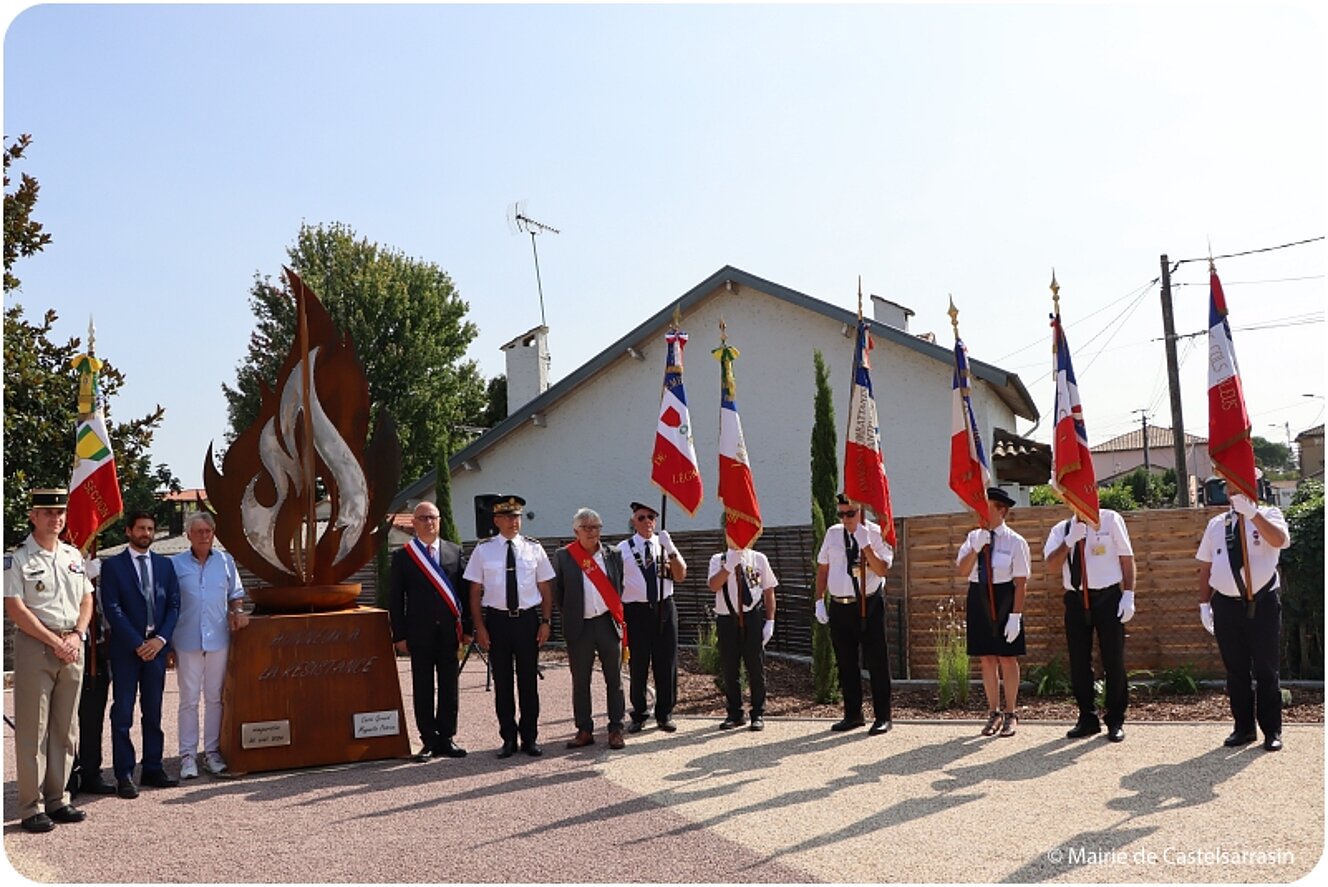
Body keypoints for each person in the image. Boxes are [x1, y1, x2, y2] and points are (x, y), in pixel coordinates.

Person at [3, 488, 94, 833]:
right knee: (33, 730)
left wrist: (77, 635)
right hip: (37, 646)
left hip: (72, 644)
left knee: (65, 728)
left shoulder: (72, 555)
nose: (55, 518)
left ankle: (58, 799)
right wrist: (56, 641)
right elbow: (15, 608)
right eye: (47, 513)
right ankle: (31, 806)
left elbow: (87, 599)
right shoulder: (17, 558)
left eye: (60, 513)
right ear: (33, 516)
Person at [1197, 489, 1291, 751]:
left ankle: (1271, 730)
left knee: (1266, 670)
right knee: (1235, 671)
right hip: (1226, 605)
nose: (1234, 493)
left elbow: (1280, 540)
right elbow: (1205, 567)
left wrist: (1253, 514)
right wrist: (1204, 604)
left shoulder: (1270, 514)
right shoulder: (1217, 524)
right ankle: (1243, 728)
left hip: (1262, 604)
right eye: (1231, 490)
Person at [465, 495, 555, 758]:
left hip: (527, 621)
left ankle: (530, 738)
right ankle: (508, 738)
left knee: (528, 683)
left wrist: (546, 622)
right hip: (497, 622)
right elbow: (474, 591)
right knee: (503, 683)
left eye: (516, 516)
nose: (513, 521)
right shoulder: (483, 550)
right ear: (496, 520)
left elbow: (545, 588)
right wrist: (479, 626)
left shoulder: (533, 548)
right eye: (507, 517)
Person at [101, 510, 182, 796]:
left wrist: (160, 640)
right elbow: (112, 609)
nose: (145, 533)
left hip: (157, 650)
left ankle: (152, 768)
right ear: (128, 531)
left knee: (154, 711)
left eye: (150, 529)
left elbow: (173, 605)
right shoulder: (113, 567)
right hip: (127, 650)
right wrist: (138, 643)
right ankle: (124, 774)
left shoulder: (165, 565)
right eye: (140, 528)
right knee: (123, 712)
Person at [388, 500, 472, 762]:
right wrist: (399, 635)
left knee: (450, 685)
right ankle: (428, 740)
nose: (429, 522)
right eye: (423, 518)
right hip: (419, 633)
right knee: (422, 686)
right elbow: (395, 599)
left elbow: (466, 594)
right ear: (413, 523)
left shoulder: (454, 551)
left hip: (449, 632)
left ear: (440, 521)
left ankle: (446, 737)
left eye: (433, 517)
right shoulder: (403, 556)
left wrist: (467, 629)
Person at [1043, 508, 1136, 742]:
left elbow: (1126, 558)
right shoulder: (1061, 529)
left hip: (1108, 597)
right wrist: (1069, 541)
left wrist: (1129, 594)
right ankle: (1087, 717)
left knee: (1113, 659)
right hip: (1075, 599)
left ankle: (1115, 719)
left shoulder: (1111, 520)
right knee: (1078, 661)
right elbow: (1051, 565)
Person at [170, 511, 249, 778]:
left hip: (218, 639)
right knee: (188, 700)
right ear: (188, 534)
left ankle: (212, 753)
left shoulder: (226, 561)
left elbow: (236, 594)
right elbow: (168, 602)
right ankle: (188, 756)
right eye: (199, 531)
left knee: (215, 698)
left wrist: (237, 611)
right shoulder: (175, 564)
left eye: (208, 531)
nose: (204, 536)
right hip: (186, 639)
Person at [813, 494, 894, 735]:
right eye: (842, 513)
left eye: (851, 513)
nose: (846, 519)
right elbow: (823, 569)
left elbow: (883, 569)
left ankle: (883, 716)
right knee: (846, 663)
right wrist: (819, 600)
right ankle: (853, 714)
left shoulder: (877, 532)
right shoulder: (833, 533)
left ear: (862, 510)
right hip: (840, 605)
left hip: (869, 603)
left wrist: (866, 544)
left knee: (877, 662)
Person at [956, 487, 1031, 738]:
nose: (981, 513)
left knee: (1007, 658)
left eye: (986, 507)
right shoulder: (973, 537)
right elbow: (962, 571)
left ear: (1001, 510)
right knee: (986, 658)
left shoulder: (1016, 542)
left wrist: (1016, 616)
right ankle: (993, 712)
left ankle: (1011, 713)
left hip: (1004, 598)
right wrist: (975, 548)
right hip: (978, 597)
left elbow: (1021, 582)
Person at [552, 508, 627, 749]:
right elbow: (558, 593)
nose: (592, 531)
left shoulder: (613, 554)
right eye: (586, 527)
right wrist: (572, 615)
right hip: (579, 626)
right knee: (580, 680)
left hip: (607, 623)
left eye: (596, 526)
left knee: (614, 679)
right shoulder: (564, 556)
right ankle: (584, 729)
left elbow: (619, 585)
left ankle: (616, 728)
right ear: (576, 531)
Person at [617, 500, 687, 733]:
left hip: (663, 608)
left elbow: (680, 576)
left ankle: (664, 713)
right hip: (636, 611)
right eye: (641, 518)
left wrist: (671, 549)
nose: (647, 522)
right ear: (633, 521)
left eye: (651, 517)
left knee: (666, 662)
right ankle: (639, 714)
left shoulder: (664, 544)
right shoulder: (622, 549)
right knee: (638, 664)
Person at [707, 545, 778, 730]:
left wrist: (770, 621)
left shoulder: (758, 558)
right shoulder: (718, 559)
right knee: (730, 668)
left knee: (755, 667)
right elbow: (713, 585)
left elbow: (769, 590)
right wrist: (729, 566)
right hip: (726, 618)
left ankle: (758, 713)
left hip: (752, 618)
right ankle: (735, 713)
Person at [69, 555, 116, 797]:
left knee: (92, 718)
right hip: (67, 648)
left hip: (97, 653)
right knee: (63, 721)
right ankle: (65, 776)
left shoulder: (103, 570)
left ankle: (90, 772)